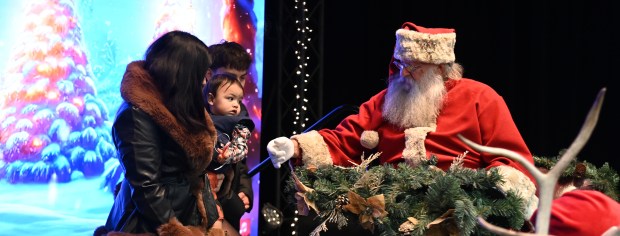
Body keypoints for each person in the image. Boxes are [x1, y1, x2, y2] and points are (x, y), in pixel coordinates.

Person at [268, 21, 539, 232]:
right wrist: (295, 146)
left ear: (441, 68)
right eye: (399, 64)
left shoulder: (481, 98)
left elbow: (510, 159)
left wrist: (475, 197)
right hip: (391, 209)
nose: (403, 73)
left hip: (456, 209)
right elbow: (346, 138)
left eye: (414, 67)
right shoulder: (388, 100)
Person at [94, 31, 223, 236]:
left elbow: (196, 173)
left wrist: (212, 219)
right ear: (183, 72)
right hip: (149, 224)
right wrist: (178, 232)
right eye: (201, 73)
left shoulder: (179, 104)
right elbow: (146, 187)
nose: (204, 81)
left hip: (185, 215)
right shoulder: (136, 115)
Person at [204, 41, 254, 232]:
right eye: (230, 77)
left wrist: (244, 190)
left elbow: (241, 161)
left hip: (226, 198)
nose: (238, 85)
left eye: (242, 78)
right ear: (209, 75)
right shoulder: (193, 109)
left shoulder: (239, 111)